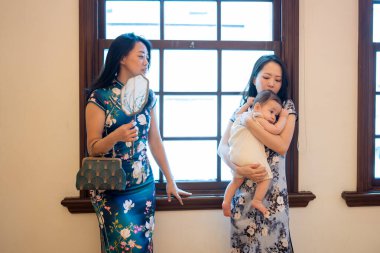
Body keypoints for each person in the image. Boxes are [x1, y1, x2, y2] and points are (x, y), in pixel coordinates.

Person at [86, 33, 192, 253]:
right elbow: (93, 147)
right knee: (121, 246)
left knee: (142, 246)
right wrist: (116, 136)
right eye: (141, 56)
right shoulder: (101, 97)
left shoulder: (148, 96)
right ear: (122, 58)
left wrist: (170, 180)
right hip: (111, 187)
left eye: (147, 58)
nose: (147, 62)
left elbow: (155, 140)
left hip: (143, 184)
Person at [218, 54, 297, 252]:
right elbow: (222, 147)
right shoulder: (242, 108)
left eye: (278, 80)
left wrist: (251, 123)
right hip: (243, 194)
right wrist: (239, 168)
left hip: (273, 197)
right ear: (254, 78)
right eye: (266, 77)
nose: (272, 83)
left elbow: (281, 146)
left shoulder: (284, 108)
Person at [222, 90, 289, 218]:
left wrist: (247, 104)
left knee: (236, 181)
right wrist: (284, 117)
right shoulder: (257, 117)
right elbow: (276, 130)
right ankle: (257, 200)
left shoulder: (242, 115)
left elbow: (237, 113)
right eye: (271, 112)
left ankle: (226, 201)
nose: (274, 117)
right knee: (267, 177)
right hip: (248, 155)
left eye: (276, 115)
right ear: (257, 107)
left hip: (235, 156)